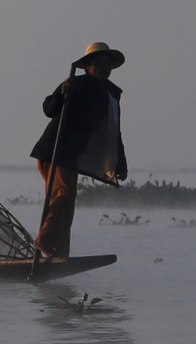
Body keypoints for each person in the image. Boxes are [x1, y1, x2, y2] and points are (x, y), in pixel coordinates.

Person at [30, 42, 128, 261]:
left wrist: (120, 163)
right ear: (88, 66)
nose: (104, 68)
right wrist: (61, 95)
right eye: (99, 63)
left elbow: (114, 130)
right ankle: (46, 242)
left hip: (72, 154)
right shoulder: (74, 83)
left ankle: (58, 252)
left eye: (107, 64)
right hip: (55, 149)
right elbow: (49, 109)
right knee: (63, 196)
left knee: (65, 200)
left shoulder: (109, 94)